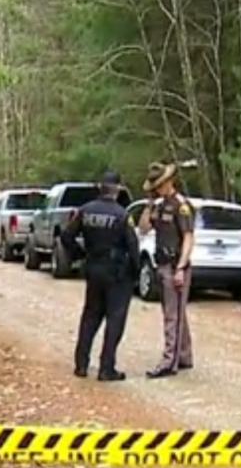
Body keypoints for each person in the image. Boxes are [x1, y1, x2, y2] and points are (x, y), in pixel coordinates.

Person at [61, 170, 139, 382]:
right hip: (116, 273)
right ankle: (107, 368)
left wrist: (80, 255)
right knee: (115, 319)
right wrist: (135, 272)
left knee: (90, 317)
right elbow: (133, 246)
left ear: (100, 187)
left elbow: (66, 236)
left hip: (93, 268)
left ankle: (81, 365)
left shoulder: (85, 211)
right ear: (118, 189)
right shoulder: (122, 215)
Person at [138, 161, 195, 378]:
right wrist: (149, 204)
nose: (157, 189)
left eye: (159, 185)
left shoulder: (182, 206)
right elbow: (144, 228)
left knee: (173, 315)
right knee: (176, 312)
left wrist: (181, 267)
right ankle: (184, 355)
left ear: (169, 182)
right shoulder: (160, 206)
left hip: (175, 265)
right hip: (161, 264)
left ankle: (169, 361)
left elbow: (188, 237)